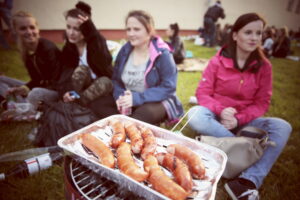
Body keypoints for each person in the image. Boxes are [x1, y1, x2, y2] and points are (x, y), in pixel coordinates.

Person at [187, 13, 291, 200]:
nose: (254, 37)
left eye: (258, 33)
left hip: (245, 122)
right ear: (235, 35)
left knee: (282, 126)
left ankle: (247, 181)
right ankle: (243, 148)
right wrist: (221, 110)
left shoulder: (264, 66)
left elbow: (262, 102)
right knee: (195, 114)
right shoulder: (217, 61)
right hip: (215, 119)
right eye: (248, 32)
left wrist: (238, 119)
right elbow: (203, 93)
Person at [112, 10, 183, 124]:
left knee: (141, 116)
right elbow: (116, 79)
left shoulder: (163, 54)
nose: (130, 34)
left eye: (136, 29)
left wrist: (136, 98)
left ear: (149, 30)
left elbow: (168, 87)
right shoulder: (124, 50)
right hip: (129, 98)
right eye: (128, 29)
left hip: (156, 100)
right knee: (100, 105)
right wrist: (120, 97)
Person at [59, 2, 118, 118]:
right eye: (68, 27)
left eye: (77, 29)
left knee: (104, 81)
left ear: (86, 29)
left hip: (102, 85)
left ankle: (78, 103)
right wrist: (66, 92)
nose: (71, 33)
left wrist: (92, 34)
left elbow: (104, 62)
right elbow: (65, 73)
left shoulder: (95, 42)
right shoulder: (69, 47)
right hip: (83, 87)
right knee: (81, 70)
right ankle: (73, 98)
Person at [3, 11, 62, 110]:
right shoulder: (27, 52)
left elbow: (55, 82)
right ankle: (15, 100)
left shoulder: (47, 48)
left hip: (57, 91)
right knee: (2, 79)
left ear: (38, 29)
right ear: (15, 31)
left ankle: (19, 106)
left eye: (32, 27)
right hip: (43, 87)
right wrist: (24, 88)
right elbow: (37, 80)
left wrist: (29, 91)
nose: (29, 32)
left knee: (35, 93)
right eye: (23, 28)